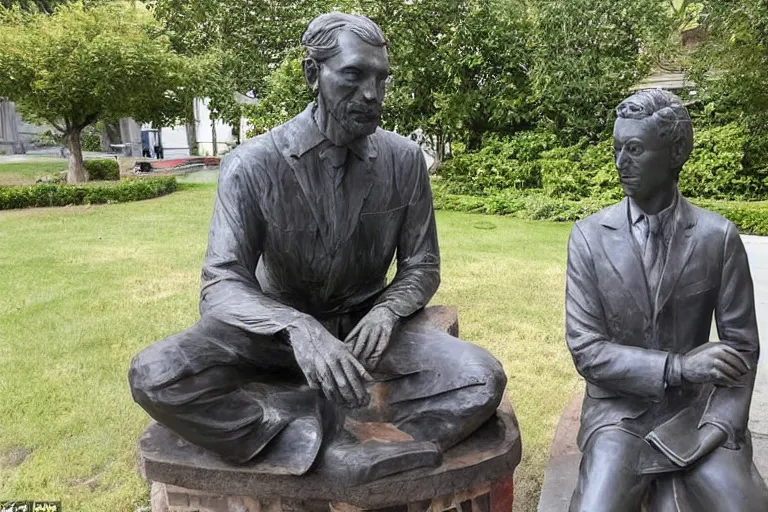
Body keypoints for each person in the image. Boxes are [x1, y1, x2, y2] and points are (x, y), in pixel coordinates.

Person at [128, 12, 506, 484]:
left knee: (481, 379)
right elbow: (221, 282)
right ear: (313, 74)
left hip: (367, 332)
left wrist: (387, 312)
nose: (371, 94)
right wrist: (297, 327)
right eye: (353, 75)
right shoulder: (253, 164)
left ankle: (388, 445)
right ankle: (319, 436)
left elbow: (422, 265)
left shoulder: (405, 160)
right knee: (156, 374)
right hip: (275, 332)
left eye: (380, 78)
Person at [565, 89, 768, 511]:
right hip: (619, 416)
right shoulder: (588, 237)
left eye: (635, 150)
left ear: (675, 152)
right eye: (617, 148)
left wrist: (722, 424)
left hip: (696, 415)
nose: (620, 163)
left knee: (742, 504)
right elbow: (588, 351)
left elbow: (743, 350)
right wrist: (679, 367)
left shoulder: (718, 238)